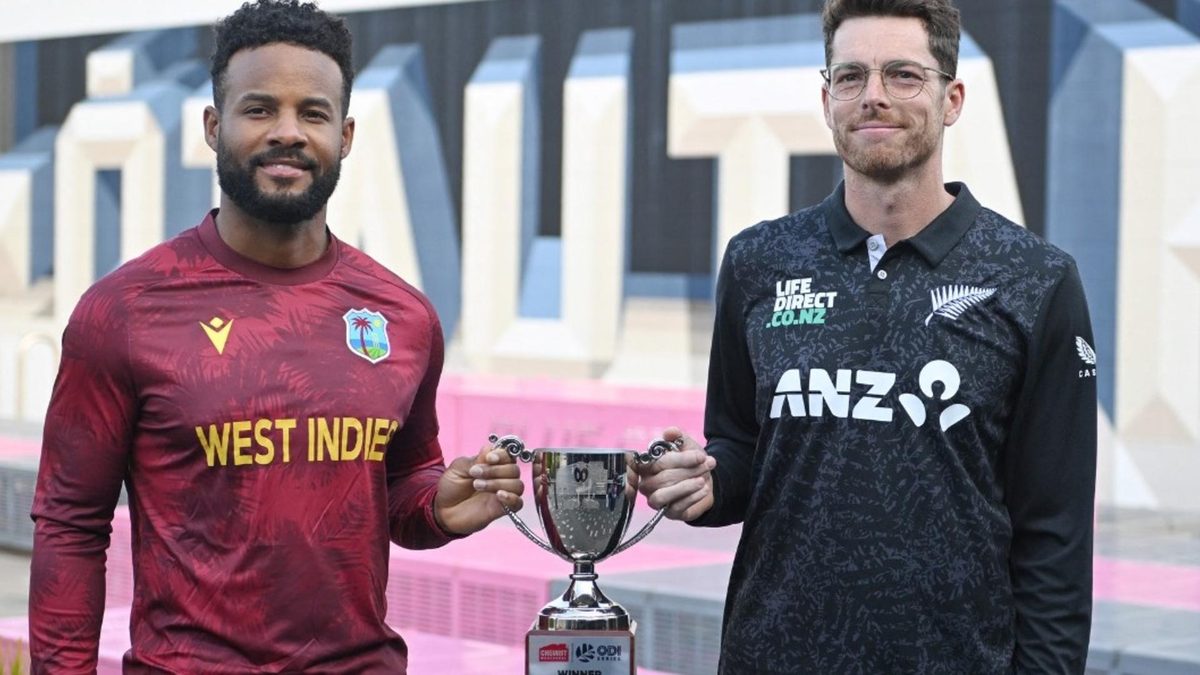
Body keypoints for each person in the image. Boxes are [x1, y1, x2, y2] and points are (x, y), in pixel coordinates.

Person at [28, 1, 523, 672]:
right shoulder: (122, 312)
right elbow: (70, 526)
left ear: (345, 135)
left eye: (312, 113)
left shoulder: (402, 317)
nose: (287, 132)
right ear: (213, 126)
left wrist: (439, 503)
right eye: (259, 109)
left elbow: (403, 483)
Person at [634, 0, 1097, 672]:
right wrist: (705, 483)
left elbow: (1054, 540)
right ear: (827, 100)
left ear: (953, 97)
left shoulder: (1037, 280)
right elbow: (739, 449)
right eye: (851, 77)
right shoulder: (759, 261)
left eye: (903, 75)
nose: (873, 97)